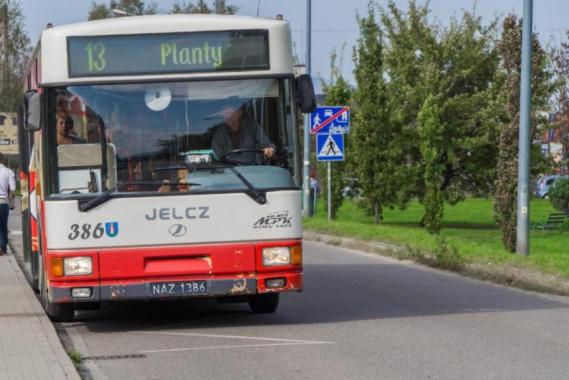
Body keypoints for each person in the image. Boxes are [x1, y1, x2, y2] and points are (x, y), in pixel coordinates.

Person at [0, 153, 15, 255]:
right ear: (3, 160)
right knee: (4, 225)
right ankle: (4, 247)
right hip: (3, 203)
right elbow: (13, 188)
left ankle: (1, 246)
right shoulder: (9, 172)